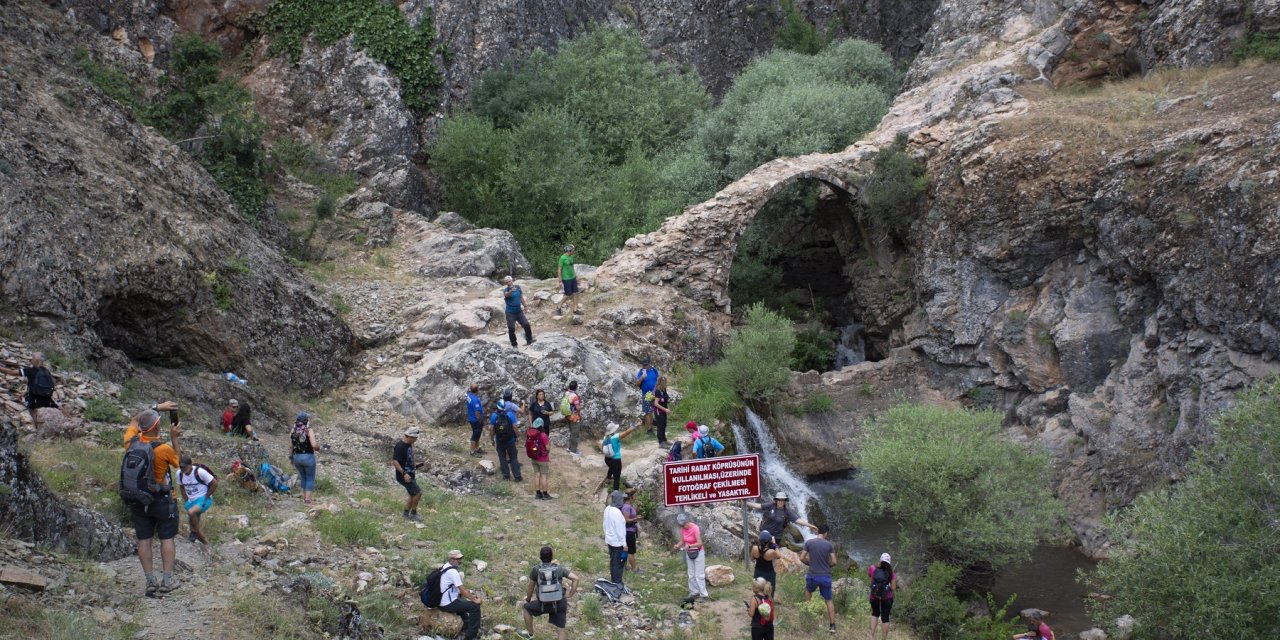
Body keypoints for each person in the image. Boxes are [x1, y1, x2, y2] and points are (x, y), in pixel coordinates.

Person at [125, 409, 182, 596]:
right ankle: (167, 581)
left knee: (144, 539)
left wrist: (156, 406)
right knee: (167, 538)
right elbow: (178, 463)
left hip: (139, 499)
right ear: (157, 425)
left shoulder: (131, 443)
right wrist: (174, 437)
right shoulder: (163, 448)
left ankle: (150, 581)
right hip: (162, 499)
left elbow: (135, 419)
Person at [520, 545, 579, 640]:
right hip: (559, 602)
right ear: (552, 557)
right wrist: (570, 594)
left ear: (540, 557)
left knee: (526, 609)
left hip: (543, 604)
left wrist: (528, 600)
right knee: (561, 630)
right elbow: (576, 578)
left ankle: (530, 635)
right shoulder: (559, 569)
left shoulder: (536, 570)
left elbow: (530, 587)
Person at [0, 352, 58, 431]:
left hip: (34, 403)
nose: (31, 359)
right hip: (48, 402)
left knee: (30, 421)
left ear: (37, 360)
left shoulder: (30, 370)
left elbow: (11, 372)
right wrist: (24, 393)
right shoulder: (47, 371)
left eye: (33, 357)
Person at [801, 524, 838, 634]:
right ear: (826, 533)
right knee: (829, 600)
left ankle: (808, 617)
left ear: (818, 532)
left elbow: (801, 557)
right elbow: (834, 562)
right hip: (825, 576)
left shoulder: (809, 543)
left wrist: (810, 564)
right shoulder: (829, 545)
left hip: (812, 574)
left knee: (808, 592)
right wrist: (827, 566)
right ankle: (832, 626)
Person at [438, 549, 483, 640]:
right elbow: (462, 590)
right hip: (448, 604)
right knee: (475, 607)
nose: (460, 561)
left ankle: (465, 626)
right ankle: (471, 636)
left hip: (441, 601)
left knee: (463, 603)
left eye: (460, 558)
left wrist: (469, 597)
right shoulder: (453, 572)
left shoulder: (444, 567)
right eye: (458, 559)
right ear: (451, 559)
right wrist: (474, 600)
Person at [177, 454, 217, 545]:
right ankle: (206, 544)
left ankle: (193, 532)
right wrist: (186, 500)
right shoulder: (179, 474)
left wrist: (206, 497)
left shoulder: (200, 472)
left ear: (190, 465)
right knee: (195, 525)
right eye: (181, 467)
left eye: (184, 467)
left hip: (203, 499)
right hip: (191, 501)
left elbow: (215, 483)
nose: (182, 469)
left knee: (191, 514)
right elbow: (182, 487)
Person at [746, 492, 816, 540]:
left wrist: (811, 526)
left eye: (782, 500)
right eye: (779, 500)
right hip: (765, 533)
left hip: (777, 536)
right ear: (776, 500)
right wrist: (745, 502)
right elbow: (758, 506)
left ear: (785, 501)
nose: (780, 501)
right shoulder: (771, 506)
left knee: (772, 554)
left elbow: (798, 520)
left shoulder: (787, 512)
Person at [674, 512, 708, 606]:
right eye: (681, 525)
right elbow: (682, 540)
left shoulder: (694, 528)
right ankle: (694, 592)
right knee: (691, 574)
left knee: (699, 575)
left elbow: (700, 543)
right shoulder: (683, 529)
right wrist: (678, 545)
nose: (683, 526)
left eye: (684, 524)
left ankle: (703, 595)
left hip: (698, 552)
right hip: (689, 553)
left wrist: (690, 546)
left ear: (687, 521)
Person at [595, 422, 637, 495]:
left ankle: (608, 478)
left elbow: (602, 446)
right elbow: (626, 433)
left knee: (611, 467)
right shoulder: (616, 437)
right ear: (613, 430)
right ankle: (616, 493)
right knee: (616, 478)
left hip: (607, 459)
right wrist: (634, 426)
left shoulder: (605, 437)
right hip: (616, 460)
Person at [392, 427, 424, 522]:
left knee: (413, 494)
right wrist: (404, 474)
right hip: (404, 475)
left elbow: (406, 460)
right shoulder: (400, 446)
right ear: (409, 436)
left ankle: (406, 514)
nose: (416, 440)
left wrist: (415, 465)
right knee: (418, 492)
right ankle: (413, 514)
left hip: (410, 473)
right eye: (414, 438)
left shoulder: (408, 445)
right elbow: (395, 461)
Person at [490, 389, 523, 482]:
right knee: (513, 458)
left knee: (502, 458)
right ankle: (517, 476)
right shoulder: (510, 415)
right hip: (510, 440)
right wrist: (517, 437)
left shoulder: (493, 416)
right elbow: (515, 428)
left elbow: (491, 430)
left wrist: (492, 440)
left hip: (499, 440)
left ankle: (506, 476)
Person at [869, 552, 901, 640]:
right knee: (885, 618)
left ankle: (872, 636)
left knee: (875, 613)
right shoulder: (891, 573)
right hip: (887, 597)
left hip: (874, 595)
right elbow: (893, 588)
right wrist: (888, 585)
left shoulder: (872, 568)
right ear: (889, 562)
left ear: (880, 560)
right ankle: (883, 638)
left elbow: (871, 579)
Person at [290, 412, 318, 505]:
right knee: (310, 478)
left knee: (303, 477)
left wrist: (291, 457)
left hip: (297, 457)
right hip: (308, 457)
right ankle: (307, 500)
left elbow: (290, 446)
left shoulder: (293, 431)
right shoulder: (308, 431)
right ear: (306, 421)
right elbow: (314, 445)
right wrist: (319, 448)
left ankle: (304, 497)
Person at [502, 275, 535, 349]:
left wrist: (525, 306)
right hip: (510, 313)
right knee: (511, 328)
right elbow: (506, 295)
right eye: (507, 282)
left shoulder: (518, 288)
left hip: (519, 311)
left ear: (512, 281)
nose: (509, 283)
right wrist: (510, 291)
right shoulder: (506, 290)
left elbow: (520, 297)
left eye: (509, 281)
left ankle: (529, 340)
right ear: (506, 283)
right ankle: (514, 345)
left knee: (526, 324)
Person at [603, 490, 628, 585]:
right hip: (618, 542)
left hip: (610, 540)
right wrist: (624, 544)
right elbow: (620, 530)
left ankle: (613, 580)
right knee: (618, 563)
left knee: (613, 561)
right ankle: (617, 582)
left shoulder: (607, 509)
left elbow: (604, 525)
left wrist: (606, 536)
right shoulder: (617, 513)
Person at [526, 417, 552, 499]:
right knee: (544, 476)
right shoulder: (543, 435)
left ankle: (538, 493)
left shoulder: (530, 434)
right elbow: (548, 448)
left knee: (537, 475)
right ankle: (545, 494)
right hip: (543, 459)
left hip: (534, 458)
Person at [752, 530, 781, 598]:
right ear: (769, 540)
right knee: (769, 592)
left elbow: (752, 558)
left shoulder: (754, 548)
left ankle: (757, 603)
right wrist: (774, 543)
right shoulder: (771, 552)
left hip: (758, 571)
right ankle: (768, 605)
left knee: (758, 590)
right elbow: (779, 556)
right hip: (769, 573)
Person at [634, 359, 659, 434]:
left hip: (654, 393)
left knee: (655, 410)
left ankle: (655, 424)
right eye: (643, 365)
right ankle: (649, 430)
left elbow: (657, 381)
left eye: (646, 365)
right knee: (648, 412)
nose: (645, 367)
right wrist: (642, 377)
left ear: (650, 364)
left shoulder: (654, 370)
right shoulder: (641, 372)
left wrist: (655, 390)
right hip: (646, 394)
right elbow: (637, 384)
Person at [557, 244, 581, 319]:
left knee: (576, 293)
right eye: (573, 249)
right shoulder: (562, 258)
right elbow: (559, 269)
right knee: (568, 294)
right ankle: (558, 307)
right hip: (566, 279)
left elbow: (572, 266)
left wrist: (576, 276)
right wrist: (560, 281)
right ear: (569, 250)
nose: (574, 251)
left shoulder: (571, 257)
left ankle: (575, 309)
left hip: (572, 278)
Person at [621, 489, 642, 574]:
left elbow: (631, 515)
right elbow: (626, 520)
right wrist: (636, 519)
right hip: (628, 531)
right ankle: (634, 569)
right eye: (634, 496)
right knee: (631, 551)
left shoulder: (630, 506)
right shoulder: (626, 507)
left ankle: (624, 567)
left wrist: (637, 509)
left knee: (626, 550)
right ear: (631, 497)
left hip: (630, 530)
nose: (636, 497)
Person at [562, 381, 583, 456]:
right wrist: (581, 407)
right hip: (574, 417)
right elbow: (577, 408)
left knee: (572, 432)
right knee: (575, 433)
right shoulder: (575, 396)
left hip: (568, 415)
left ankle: (570, 448)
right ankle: (573, 450)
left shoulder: (566, 393)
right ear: (576, 387)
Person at [466, 384, 486, 457]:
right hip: (475, 420)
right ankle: (472, 451)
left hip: (471, 418)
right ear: (477, 390)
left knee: (477, 434)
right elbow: (477, 412)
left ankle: (477, 449)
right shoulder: (475, 400)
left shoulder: (469, 395)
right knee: (475, 435)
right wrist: (480, 420)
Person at [652, 376, 671, 446]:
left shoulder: (664, 390)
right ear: (660, 382)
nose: (665, 383)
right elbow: (655, 403)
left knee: (664, 425)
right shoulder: (657, 391)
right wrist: (665, 409)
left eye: (665, 382)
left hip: (663, 411)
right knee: (660, 426)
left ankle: (664, 440)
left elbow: (664, 399)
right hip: (658, 412)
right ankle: (661, 442)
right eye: (664, 382)